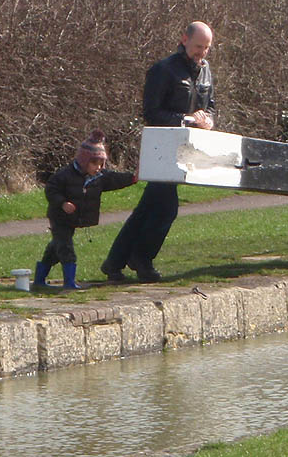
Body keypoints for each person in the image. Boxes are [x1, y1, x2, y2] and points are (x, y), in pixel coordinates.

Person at [101, 21, 215, 283]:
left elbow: (210, 107)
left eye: (207, 48)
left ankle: (115, 262)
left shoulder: (206, 71)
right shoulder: (163, 70)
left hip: (188, 148)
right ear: (184, 39)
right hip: (162, 147)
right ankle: (141, 259)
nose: (202, 53)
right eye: (198, 46)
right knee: (166, 208)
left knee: (149, 207)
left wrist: (208, 121)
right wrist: (188, 120)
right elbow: (152, 113)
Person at [34, 129, 137, 289]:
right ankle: (69, 282)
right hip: (60, 218)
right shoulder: (64, 175)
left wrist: (132, 178)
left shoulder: (98, 178)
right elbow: (51, 189)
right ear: (84, 161)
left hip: (73, 219)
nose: (98, 167)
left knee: (55, 248)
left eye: (101, 164)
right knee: (66, 249)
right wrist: (62, 203)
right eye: (94, 163)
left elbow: (114, 179)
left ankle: (39, 279)